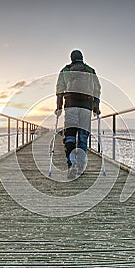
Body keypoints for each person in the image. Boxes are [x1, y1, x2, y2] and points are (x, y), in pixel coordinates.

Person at [55, 50, 101, 179]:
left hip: (70, 105)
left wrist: (58, 107)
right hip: (86, 106)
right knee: (82, 137)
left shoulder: (65, 70)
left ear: (71, 59)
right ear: (82, 58)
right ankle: (80, 166)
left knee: (70, 135)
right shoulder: (90, 70)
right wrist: (96, 106)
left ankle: (72, 165)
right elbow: (97, 89)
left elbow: (59, 89)